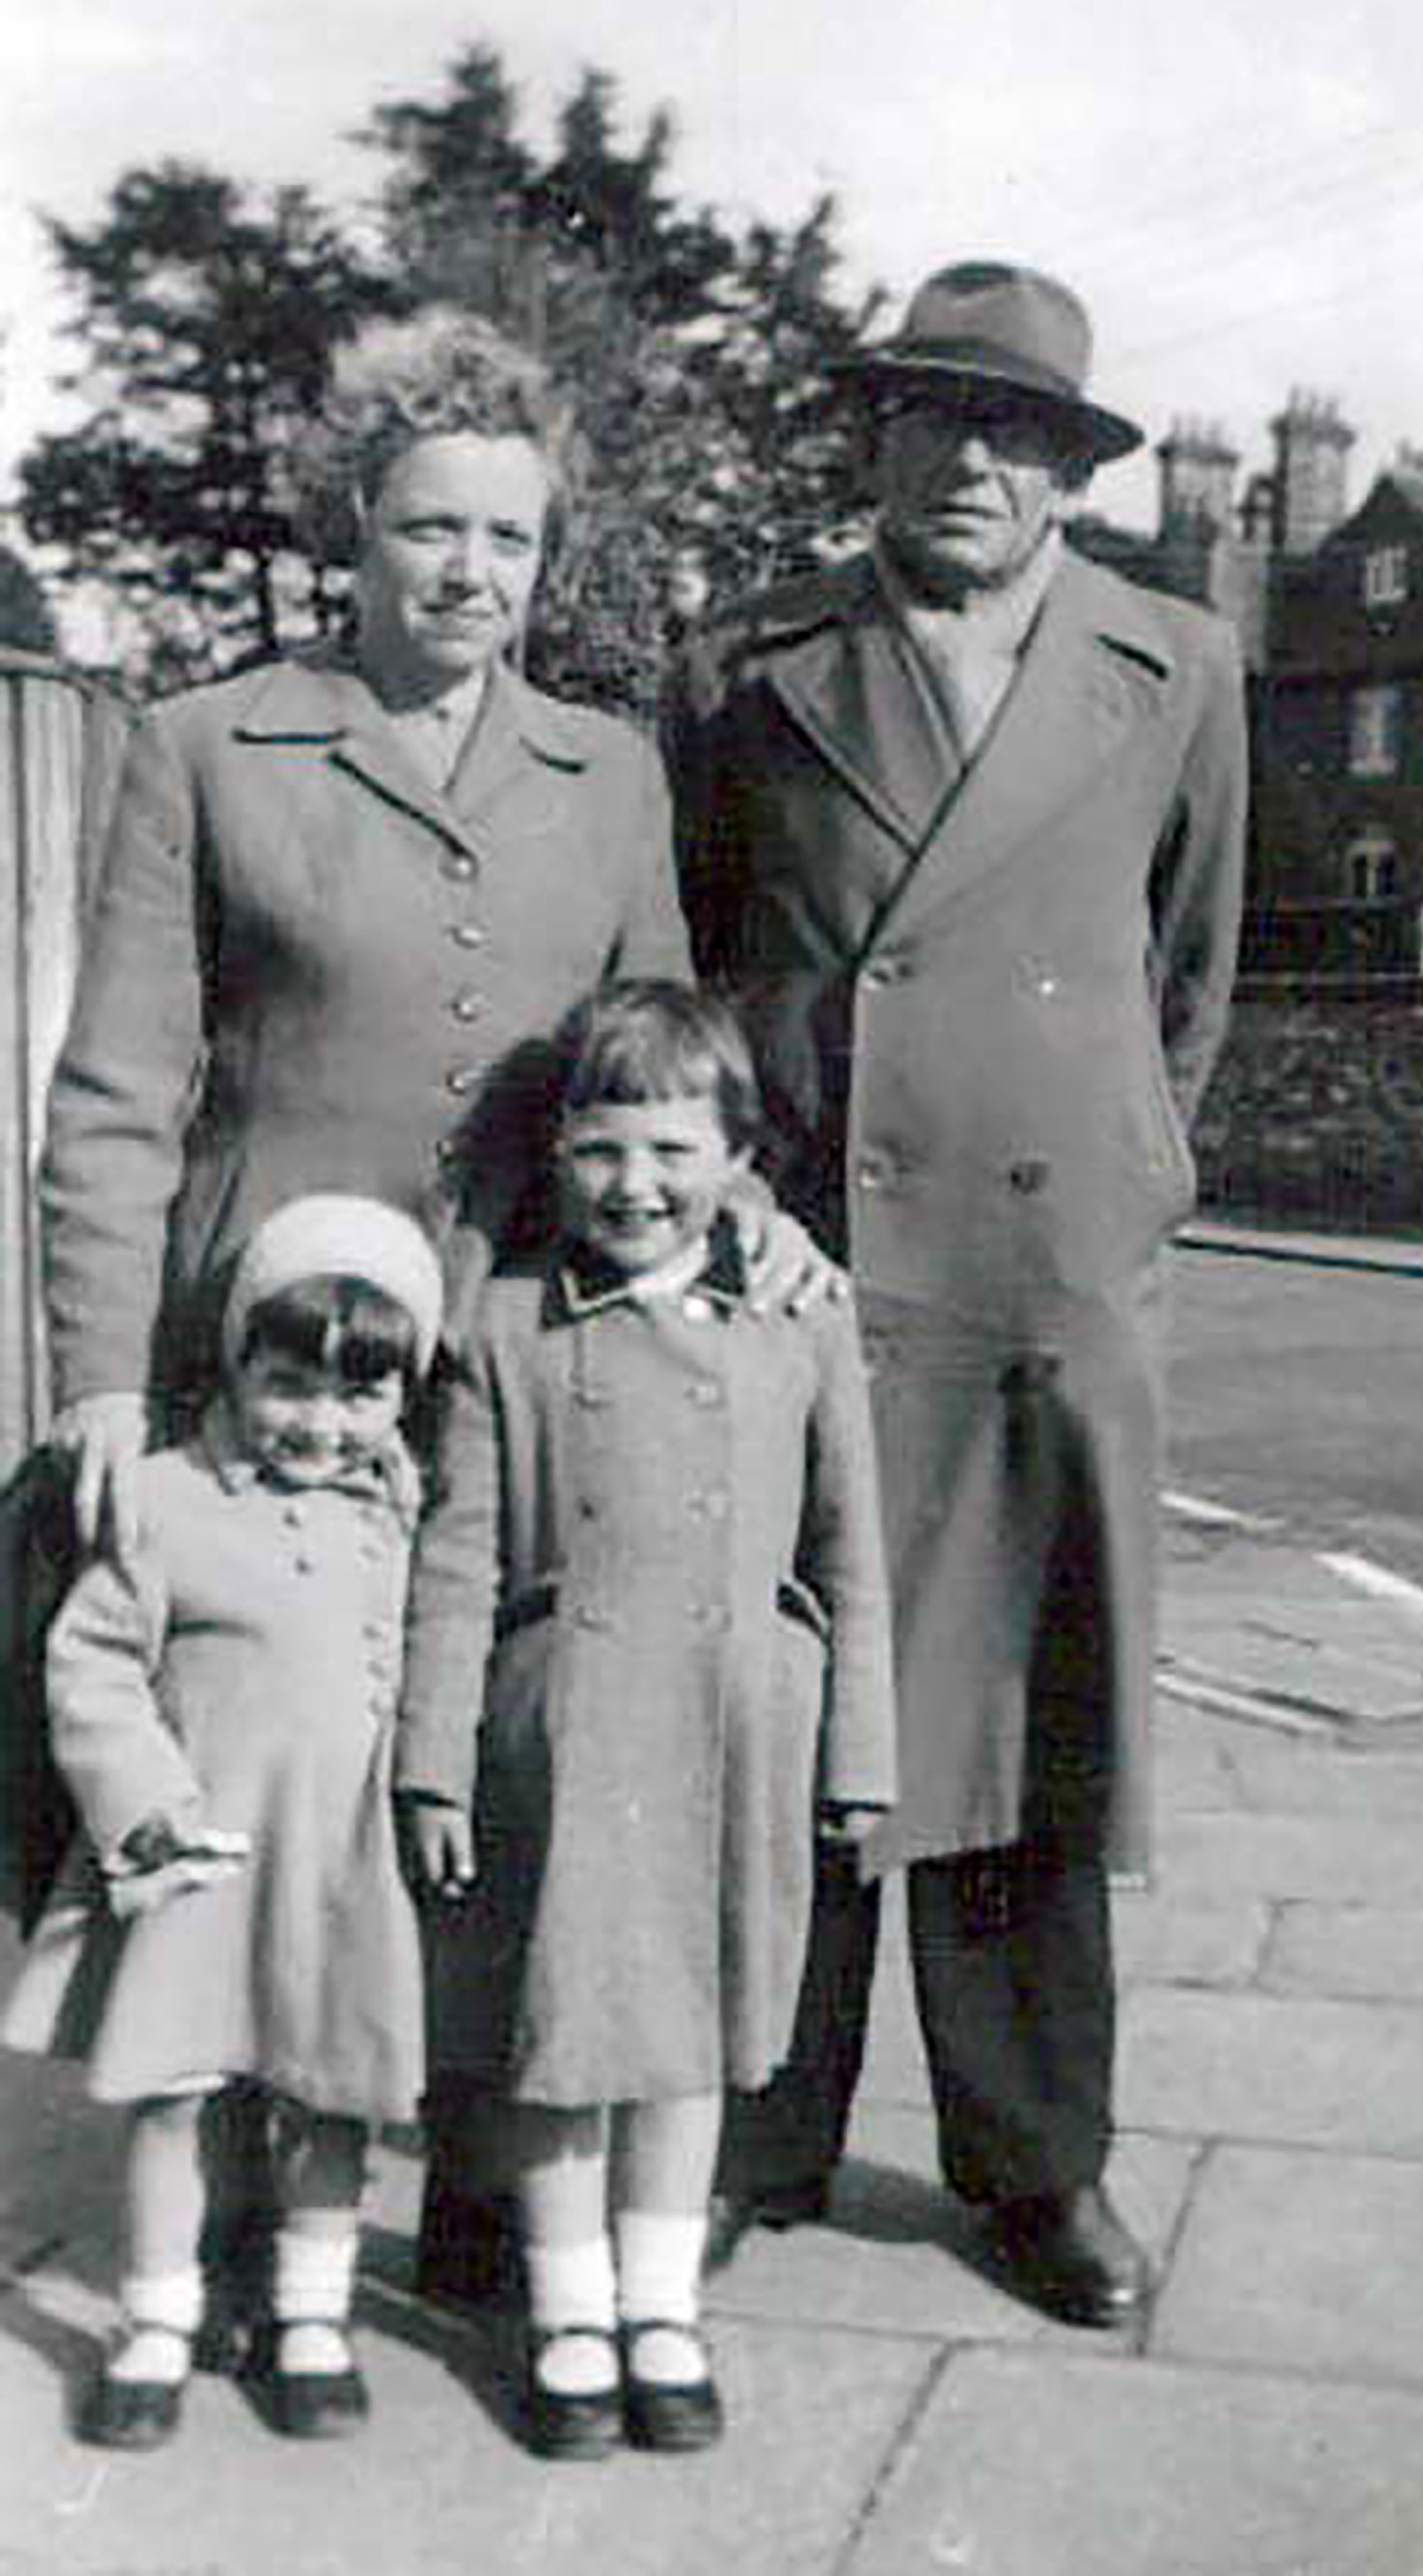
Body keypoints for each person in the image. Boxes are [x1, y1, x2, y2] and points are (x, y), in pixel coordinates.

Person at [30, 302, 831, 2304]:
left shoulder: (611, 770)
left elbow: (664, 1070)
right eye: (429, 531)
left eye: (510, 543)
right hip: (264, 1359)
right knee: (249, 1749)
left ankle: (490, 2190)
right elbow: (120, 1094)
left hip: (514, 1348)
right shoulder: (207, 747)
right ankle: (213, 2203)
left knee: (490, 1757)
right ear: (356, 531)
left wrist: (754, 1230)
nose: (469, 575)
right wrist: (103, 1389)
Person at [664, 260, 1247, 2325]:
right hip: (810, 1260)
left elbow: (1188, 972)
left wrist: (1126, 1187)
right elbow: (701, 955)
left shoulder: (1174, 661)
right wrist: (738, 1188)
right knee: (788, 1700)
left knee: (1030, 1720)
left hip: (1042, 1280)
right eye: (933, 417)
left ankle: (1033, 2168)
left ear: (1077, 476)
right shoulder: (747, 659)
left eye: (1019, 434)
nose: (971, 463)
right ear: (877, 437)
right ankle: (752, 2135)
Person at [395, 982, 894, 2456]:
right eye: (604, 1150)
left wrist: (860, 1752)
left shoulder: (801, 1324)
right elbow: (456, 1562)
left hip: (738, 1724)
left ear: (741, 1157)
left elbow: (851, 1553)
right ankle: (566, 2309)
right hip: (569, 1729)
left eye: (676, 1150)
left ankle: (662, 2303)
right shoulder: (501, 1333)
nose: (638, 1185)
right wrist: (433, 1763)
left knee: (691, 2034)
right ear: (555, 1157)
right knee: (567, 2032)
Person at [3, 1194, 444, 2449]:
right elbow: (88, 1665)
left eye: (360, 1395)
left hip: (338, 1863)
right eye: (290, 1383)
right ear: (241, 1360)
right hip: (198, 1856)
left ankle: (312, 2311)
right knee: (174, 2092)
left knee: (329, 2091)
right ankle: (155, 2314)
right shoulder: (165, 1500)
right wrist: (146, 1806)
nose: (320, 1422)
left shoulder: (403, 1514)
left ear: (403, 1397)